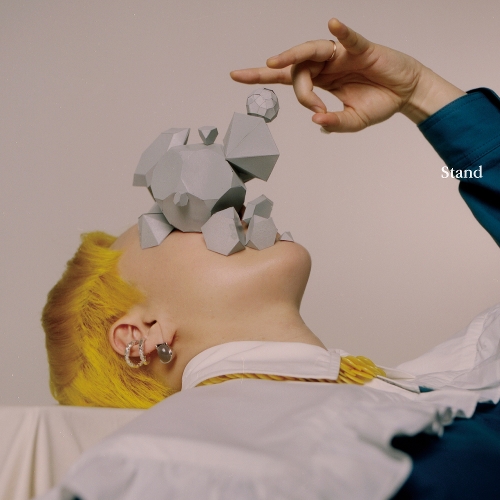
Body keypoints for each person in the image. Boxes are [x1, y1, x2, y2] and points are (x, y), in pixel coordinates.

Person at [42, 18, 500, 411]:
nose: (228, 202)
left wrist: (421, 93)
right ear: (139, 337)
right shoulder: (207, 456)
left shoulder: (454, 383)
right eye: (170, 219)